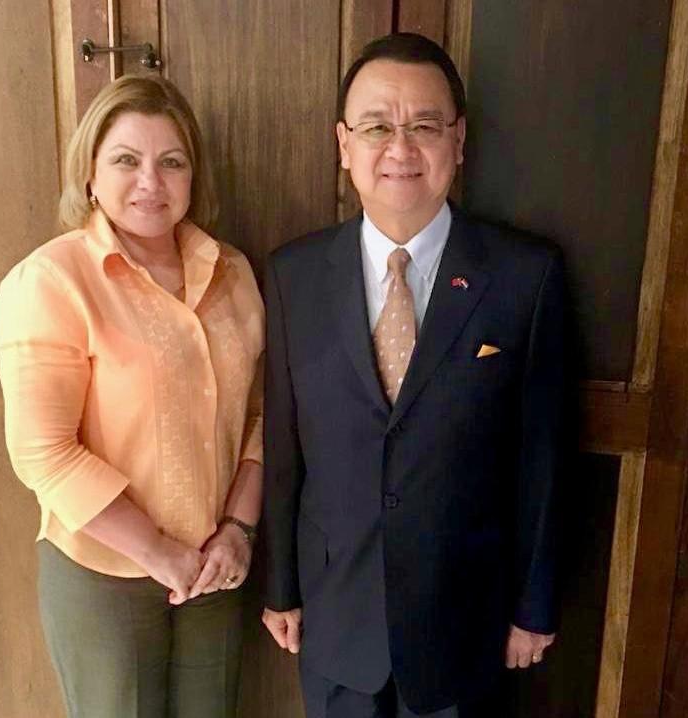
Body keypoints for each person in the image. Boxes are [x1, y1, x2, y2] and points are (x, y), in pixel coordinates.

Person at [261, 33, 568, 717]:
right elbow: (283, 451)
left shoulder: (524, 276)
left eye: (424, 126)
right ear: (344, 145)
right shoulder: (293, 276)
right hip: (335, 618)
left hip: (466, 626)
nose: (399, 149)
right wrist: (281, 587)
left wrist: (534, 607)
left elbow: (543, 459)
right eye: (376, 127)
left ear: (457, 140)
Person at [0, 75, 263, 718]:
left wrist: (238, 530)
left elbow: (263, 415)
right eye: (125, 160)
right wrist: (157, 552)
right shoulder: (52, 281)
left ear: (193, 176)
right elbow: (43, 452)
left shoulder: (233, 272)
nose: (151, 182)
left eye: (172, 161)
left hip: (215, 570)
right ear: (90, 173)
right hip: (104, 577)